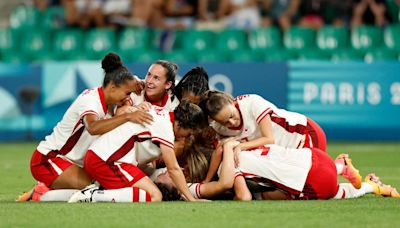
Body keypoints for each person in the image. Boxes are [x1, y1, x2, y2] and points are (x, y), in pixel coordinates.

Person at [17, 53, 152, 201]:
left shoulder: (112, 100)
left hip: (71, 163)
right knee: (97, 188)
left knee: (103, 184)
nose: (128, 97)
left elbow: (132, 83)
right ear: (112, 87)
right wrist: (126, 116)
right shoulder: (91, 100)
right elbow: (93, 127)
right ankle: (41, 193)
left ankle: (47, 188)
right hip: (49, 159)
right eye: (127, 93)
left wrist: (140, 82)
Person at [67, 100, 209, 203]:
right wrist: (191, 199)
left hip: (103, 157)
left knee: (143, 189)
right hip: (107, 161)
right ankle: (93, 195)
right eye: (188, 132)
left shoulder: (162, 114)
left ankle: (97, 191)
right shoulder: (165, 127)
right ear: (180, 124)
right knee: (155, 196)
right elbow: (173, 168)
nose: (187, 136)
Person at [198, 90, 327, 182]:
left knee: (312, 182)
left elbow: (269, 138)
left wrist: (241, 146)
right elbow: (219, 150)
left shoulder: (252, 103)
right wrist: (207, 180)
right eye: (225, 122)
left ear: (232, 102)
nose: (231, 123)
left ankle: (340, 165)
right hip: (287, 153)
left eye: (231, 116)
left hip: (304, 135)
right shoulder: (219, 128)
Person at [227, 143, 400, 200]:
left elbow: (245, 198)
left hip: (313, 180)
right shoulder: (245, 146)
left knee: (337, 192)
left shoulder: (232, 165)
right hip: (314, 155)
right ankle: (340, 165)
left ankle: (371, 186)